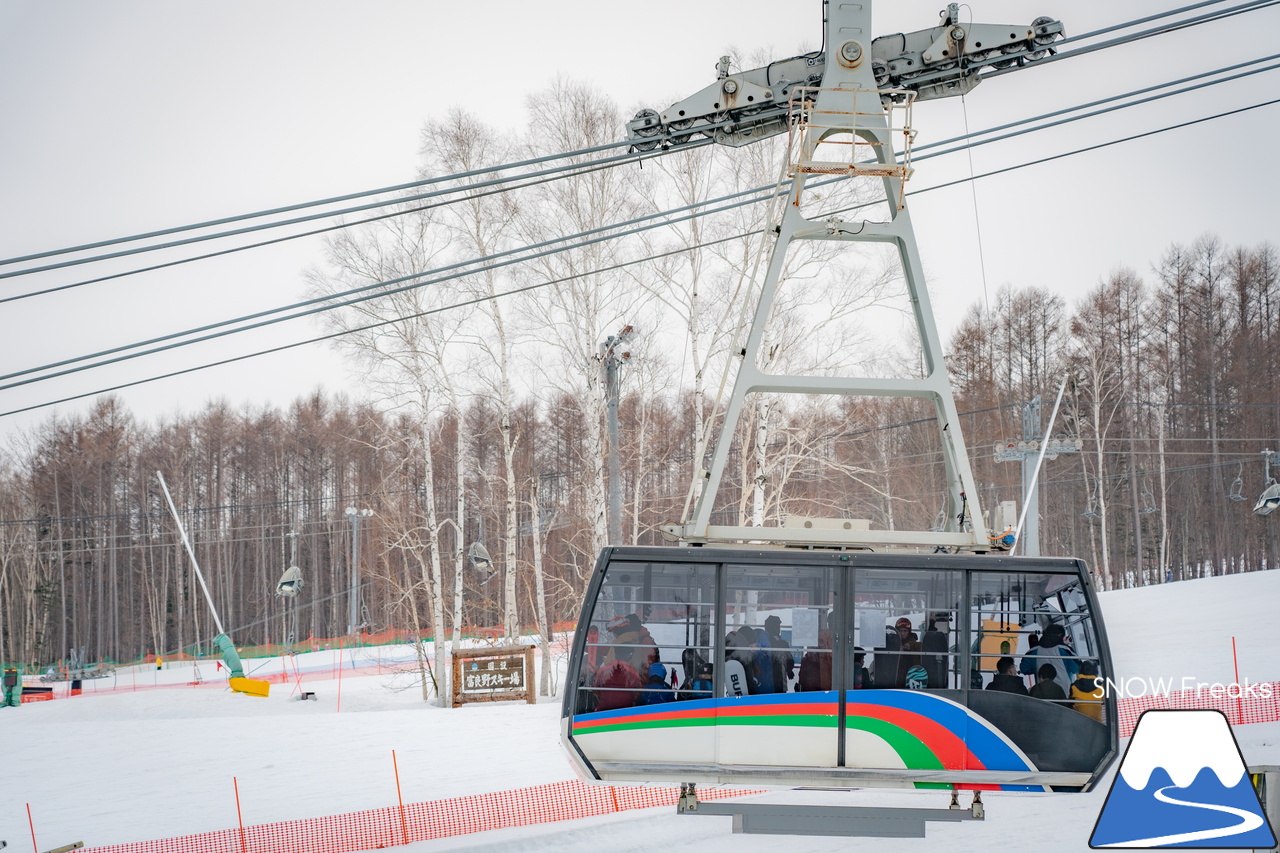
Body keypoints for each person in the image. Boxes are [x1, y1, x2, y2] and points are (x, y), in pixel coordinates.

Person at [1019, 623, 1078, 688]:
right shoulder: (1066, 650)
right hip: (1064, 692)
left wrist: (1036, 667)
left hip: (1042, 691)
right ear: (1060, 635)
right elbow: (1076, 668)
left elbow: (1024, 669)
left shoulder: (1033, 651)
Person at [763, 615, 795, 691]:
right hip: (772, 680)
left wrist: (789, 670)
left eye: (778, 626)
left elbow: (789, 660)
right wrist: (789, 670)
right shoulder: (766, 643)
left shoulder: (782, 643)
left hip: (776, 680)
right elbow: (789, 659)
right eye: (776, 626)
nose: (778, 628)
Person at [894, 618, 922, 688]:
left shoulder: (915, 643)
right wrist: (895, 650)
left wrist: (911, 646)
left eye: (905, 631)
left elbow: (925, 647)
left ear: (909, 632)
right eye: (900, 631)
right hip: (895, 680)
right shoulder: (892, 643)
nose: (902, 633)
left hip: (912, 679)